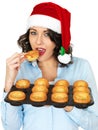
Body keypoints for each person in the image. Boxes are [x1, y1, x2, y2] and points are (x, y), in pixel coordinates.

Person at [1, 2, 98, 130]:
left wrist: (67, 105)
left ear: (57, 38)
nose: (38, 41)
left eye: (46, 34)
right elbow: (11, 127)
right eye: (34, 32)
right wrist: (9, 83)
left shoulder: (81, 67)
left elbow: (95, 124)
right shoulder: (21, 69)